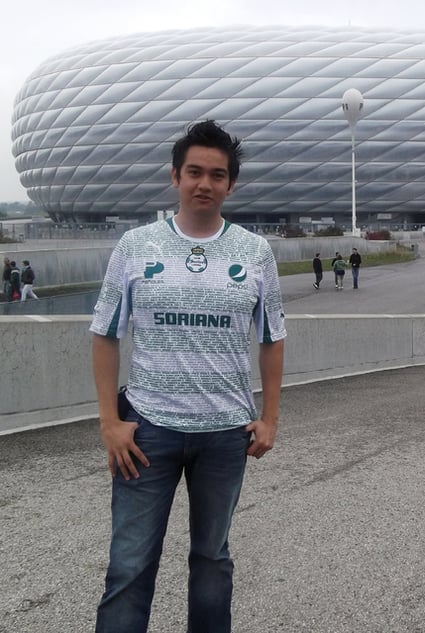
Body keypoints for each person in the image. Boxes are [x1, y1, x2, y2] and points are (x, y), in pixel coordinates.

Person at [90, 120, 286, 633]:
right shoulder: (136, 246)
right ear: (175, 176)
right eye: (194, 171)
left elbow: (272, 337)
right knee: (129, 566)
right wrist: (110, 421)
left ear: (231, 184)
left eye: (217, 175)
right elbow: (104, 333)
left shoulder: (255, 252)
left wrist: (269, 418)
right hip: (147, 431)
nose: (205, 183)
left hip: (225, 434)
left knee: (212, 561)